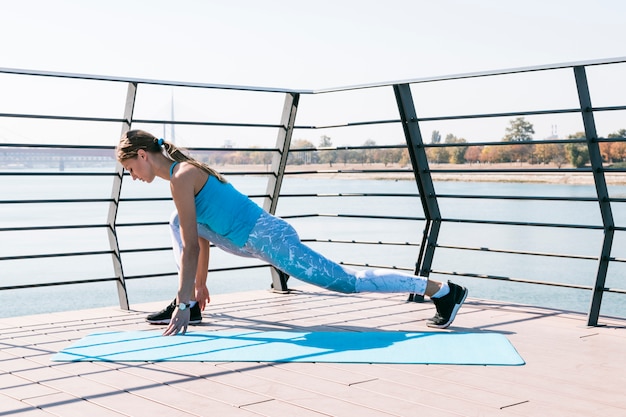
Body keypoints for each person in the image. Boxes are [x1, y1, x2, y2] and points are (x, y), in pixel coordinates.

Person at [116, 130, 468, 336]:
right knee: (177, 222)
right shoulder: (181, 177)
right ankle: (193, 307)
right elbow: (197, 237)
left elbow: (192, 247)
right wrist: (197, 287)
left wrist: (180, 301)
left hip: (270, 239)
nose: (133, 177)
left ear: (143, 156)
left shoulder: (181, 177)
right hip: (249, 240)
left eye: (130, 168)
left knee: (346, 282)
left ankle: (441, 290)